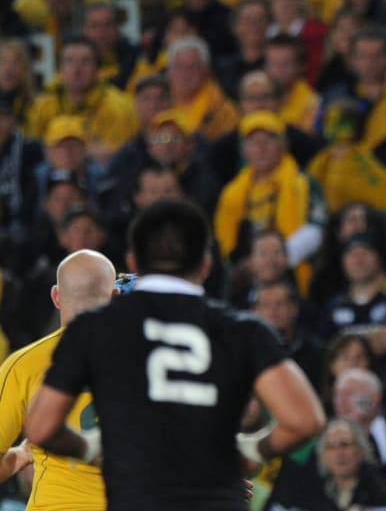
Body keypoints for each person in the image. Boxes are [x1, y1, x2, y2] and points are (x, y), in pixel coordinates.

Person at [24, 199, 325, 511]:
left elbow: (41, 427)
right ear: (206, 265)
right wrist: (250, 449)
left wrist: (92, 447)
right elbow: (305, 421)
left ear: (133, 263)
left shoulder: (92, 330)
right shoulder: (245, 330)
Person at [0, 249, 117, 508]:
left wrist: (19, 457)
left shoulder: (23, 364)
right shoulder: (148, 360)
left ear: (55, 296)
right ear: (115, 296)